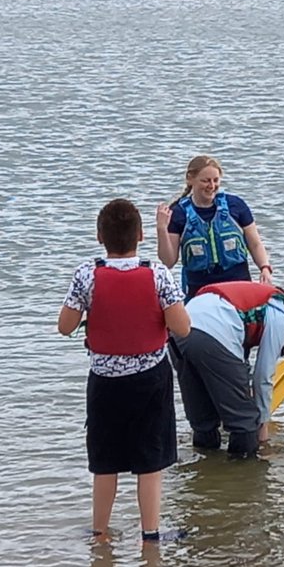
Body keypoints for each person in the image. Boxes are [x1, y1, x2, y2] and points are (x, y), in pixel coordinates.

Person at [57, 198, 191, 541]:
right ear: (142, 235)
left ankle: (99, 530)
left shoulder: (87, 274)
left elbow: (65, 326)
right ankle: (150, 533)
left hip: (105, 382)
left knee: (105, 461)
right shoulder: (158, 274)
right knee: (150, 461)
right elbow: (182, 327)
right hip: (150, 378)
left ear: (100, 236)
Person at [169, 281, 284, 458]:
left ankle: (204, 469)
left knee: (203, 419)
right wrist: (262, 422)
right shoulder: (282, 314)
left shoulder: (262, 299)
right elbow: (263, 376)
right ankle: (244, 476)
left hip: (178, 332)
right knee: (244, 421)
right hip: (213, 335)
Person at [155, 155, 274, 300]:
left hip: (238, 287)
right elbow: (168, 261)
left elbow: (255, 244)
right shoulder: (179, 214)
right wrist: (162, 228)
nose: (211, 186)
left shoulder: (236, 206)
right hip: (200, 292)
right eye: (205, 181)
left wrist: (265, 268)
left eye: (215, 180)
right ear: (190, 179)